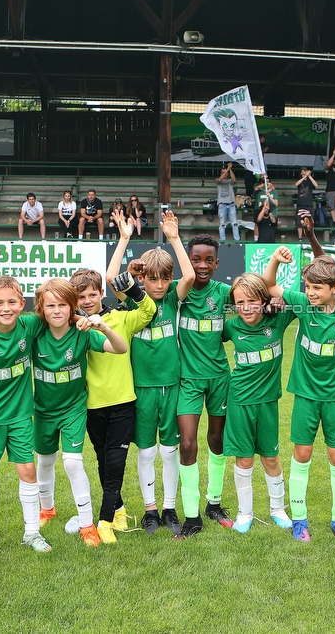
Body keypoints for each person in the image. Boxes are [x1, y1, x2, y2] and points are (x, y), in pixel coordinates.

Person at [263, 244, 335, 544]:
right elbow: (270, 286)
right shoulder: (303, 305)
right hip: (305, 393)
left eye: (318, 287)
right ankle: (300, 520)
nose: (311, 292)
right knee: (302, 454)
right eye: (308, 286)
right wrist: (275, 261)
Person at [109, 209, 193, 536]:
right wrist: (125, 238)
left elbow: (188, 278)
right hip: (140, 388)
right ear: (142, 279)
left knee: (169, 450)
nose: (159, 285)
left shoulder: (172, 299)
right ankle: (150, 510)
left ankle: (170, 507)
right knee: (145, 450)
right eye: (152, 278)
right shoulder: (132, 301)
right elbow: (110, 277)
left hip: (171, 387)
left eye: (163, 278)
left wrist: (173, 238)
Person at [68, 243, 156, 544]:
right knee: (102, 461)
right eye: (81, 297)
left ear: (100, 294)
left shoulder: (120, 317)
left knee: (116, 464)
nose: (88, 300)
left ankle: (103, 522)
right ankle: (117, 509)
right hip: (91, 405)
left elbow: (149, 310)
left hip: (122, 403)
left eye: (93, 294)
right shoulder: (73, 326)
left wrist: (133, 290)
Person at [31, 278, 128, 548]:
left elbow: (120, 348)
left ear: (72, 308)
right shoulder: (34, 330)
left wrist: (104, 326)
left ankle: (87, 525)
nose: (57, 311)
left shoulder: (82, 333)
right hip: (43, 410)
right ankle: (47, 509)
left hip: (73, 409)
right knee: (46, 460)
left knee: (72, 463)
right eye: (51, 305)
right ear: (42, 308)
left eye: (63, 305)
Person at [0, 267, 52, 553]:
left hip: (20, 414)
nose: (6, 308)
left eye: (12, 302)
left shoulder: (29, 326)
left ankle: (32, 532)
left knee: (28, 469)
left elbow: (58, 312)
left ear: (22, 304)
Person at [222, 273, 296, 533]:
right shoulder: (230, 326)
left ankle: (278, 509)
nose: (245, 308)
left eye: (252, 301)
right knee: (243, 459)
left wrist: (277, 300)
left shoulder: (279, 319)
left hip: (268, 403)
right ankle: (245, 513)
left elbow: (300, 302)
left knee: (271, 457)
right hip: (239, 401)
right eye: (239, 302)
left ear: (264, 300)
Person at [174, 234, 234, 539]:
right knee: (187, 444)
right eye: (196, 259)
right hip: (187, 380)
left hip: (219, 378)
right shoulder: (179, 292)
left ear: (217, 263)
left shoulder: (224, 293)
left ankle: (214, 503)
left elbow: (257, 297)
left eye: (208, 260)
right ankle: (192, 516)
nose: (202, 265)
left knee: (217, 439)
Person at [216, 162, 240, 241]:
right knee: (222, 224)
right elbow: (219, 179)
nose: (225, 174)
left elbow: (234, 180)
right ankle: (222, 240)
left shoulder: (230, 181)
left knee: (235, 224)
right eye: (223, 172)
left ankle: (237, 241)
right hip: (222, 205)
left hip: (231, 205)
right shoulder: (217, 180)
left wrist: (230, 169)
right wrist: (227, 169)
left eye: (226, 172)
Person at [294, 167, 318, 240]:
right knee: (299, 221)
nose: (303, 172)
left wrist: (309, 176)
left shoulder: (310, 181)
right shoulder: (300, 181)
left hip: (309, 204)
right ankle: (300, 238)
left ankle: (310, 237)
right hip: (300, 204)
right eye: (302, 171)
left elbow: (316, 185)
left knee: (309, 222)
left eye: (305, 171)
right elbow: (296, 184)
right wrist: (304, 177)